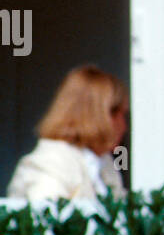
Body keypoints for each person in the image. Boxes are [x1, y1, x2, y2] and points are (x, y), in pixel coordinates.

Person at [6, 65, 128, 205]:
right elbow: (48, 216)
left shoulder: (105, 164)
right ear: (97, 115)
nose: (124, 126)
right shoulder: (51, 162)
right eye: (120, 115)